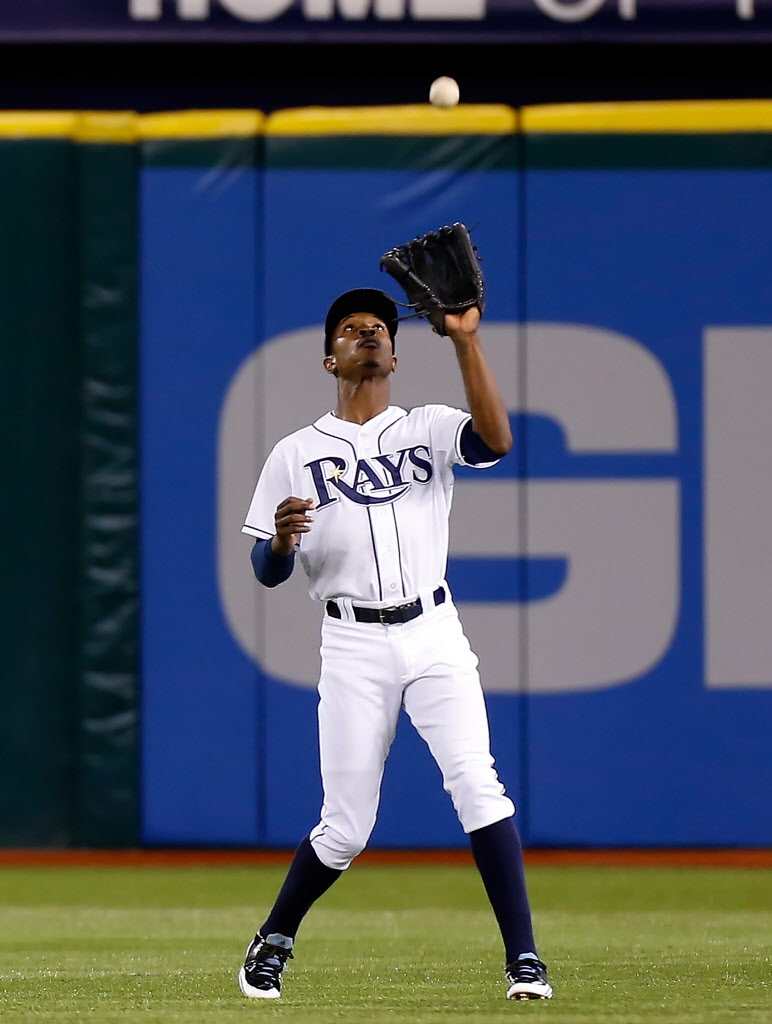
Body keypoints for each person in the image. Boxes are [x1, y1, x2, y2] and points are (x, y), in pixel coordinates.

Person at [238, 286, 552, 1002]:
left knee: (478, 783)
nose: (368, 334)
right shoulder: (296, 451)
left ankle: (524, 959)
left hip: (434, 630)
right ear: (331, 360)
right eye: (353, 329)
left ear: (396, 355)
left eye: (379, 328)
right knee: (346, 828)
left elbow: (498, 442)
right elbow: (265, 570)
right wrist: (283, 542)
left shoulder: (431, 427)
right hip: (352, 644)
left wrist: (467, 341)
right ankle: (274, 938)